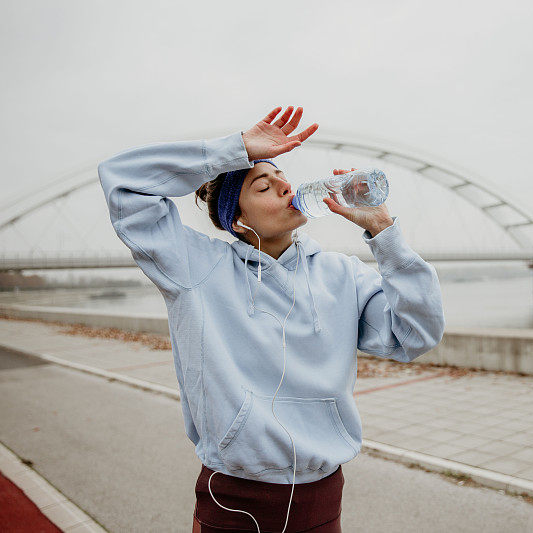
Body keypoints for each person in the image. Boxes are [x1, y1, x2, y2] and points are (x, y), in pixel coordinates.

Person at [97, 106, 446, 532]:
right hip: (233, 496)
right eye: (263, 186)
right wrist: (236, 149)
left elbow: (415, 335)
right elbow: (123, 183)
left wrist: (383, 230)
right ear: (237, 219)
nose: (284, 186)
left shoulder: (343, 274)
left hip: (321, 495)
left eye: (282, 178)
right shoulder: (195, 267)